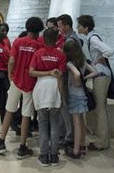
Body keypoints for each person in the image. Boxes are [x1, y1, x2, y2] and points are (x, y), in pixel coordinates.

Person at [0, 17, 44, 160]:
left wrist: (10, 77)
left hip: (16, 81)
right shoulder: (38, 45)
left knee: (9, 110)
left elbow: (12, 60)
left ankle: (1, 142)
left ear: (27, 28)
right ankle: (22, 147)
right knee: (26, 114)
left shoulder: (18, 41)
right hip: (30, 83)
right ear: (39, 30)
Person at [29, 28, 66, 166]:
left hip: (41, 89)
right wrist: (61, 96)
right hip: (54, 89)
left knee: (43, 124)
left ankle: (44, 156)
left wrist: (46, 73)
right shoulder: (60, 55)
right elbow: (60, 77)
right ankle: (54, 155)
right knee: (55, 124)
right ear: (57, 39)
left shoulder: (38, 53)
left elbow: (31, 72)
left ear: (43, 39)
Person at [77, 15, 114, 150]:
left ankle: (101, 142)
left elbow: (109, 50)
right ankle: (103, 140)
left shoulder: (92, 38)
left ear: (86, 27)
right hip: (102, 75)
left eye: (80, 26)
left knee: (100, 109)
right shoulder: (91, 37)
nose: (78, 28)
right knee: (101, 108)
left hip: (101, 76)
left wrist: (99, 59)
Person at [63, 40, 98, 158]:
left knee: (76, 123)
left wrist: (78, 80)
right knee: (82, 122)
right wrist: (85, 78)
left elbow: (76, 74)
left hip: (74, 94)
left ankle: (76, 150)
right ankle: (82, 146)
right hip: (82, 94)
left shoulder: (69, 63)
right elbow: (95, 72)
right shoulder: (82, 61)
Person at [56, 14, 82, 148]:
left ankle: (69, 136)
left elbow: (69, 61)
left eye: (60, 26)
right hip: (69, 77)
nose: (59, 29)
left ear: (66, 26)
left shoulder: (70, 41)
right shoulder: (69, 39)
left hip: (69, 77)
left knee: (66, 106)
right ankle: (66, 134)